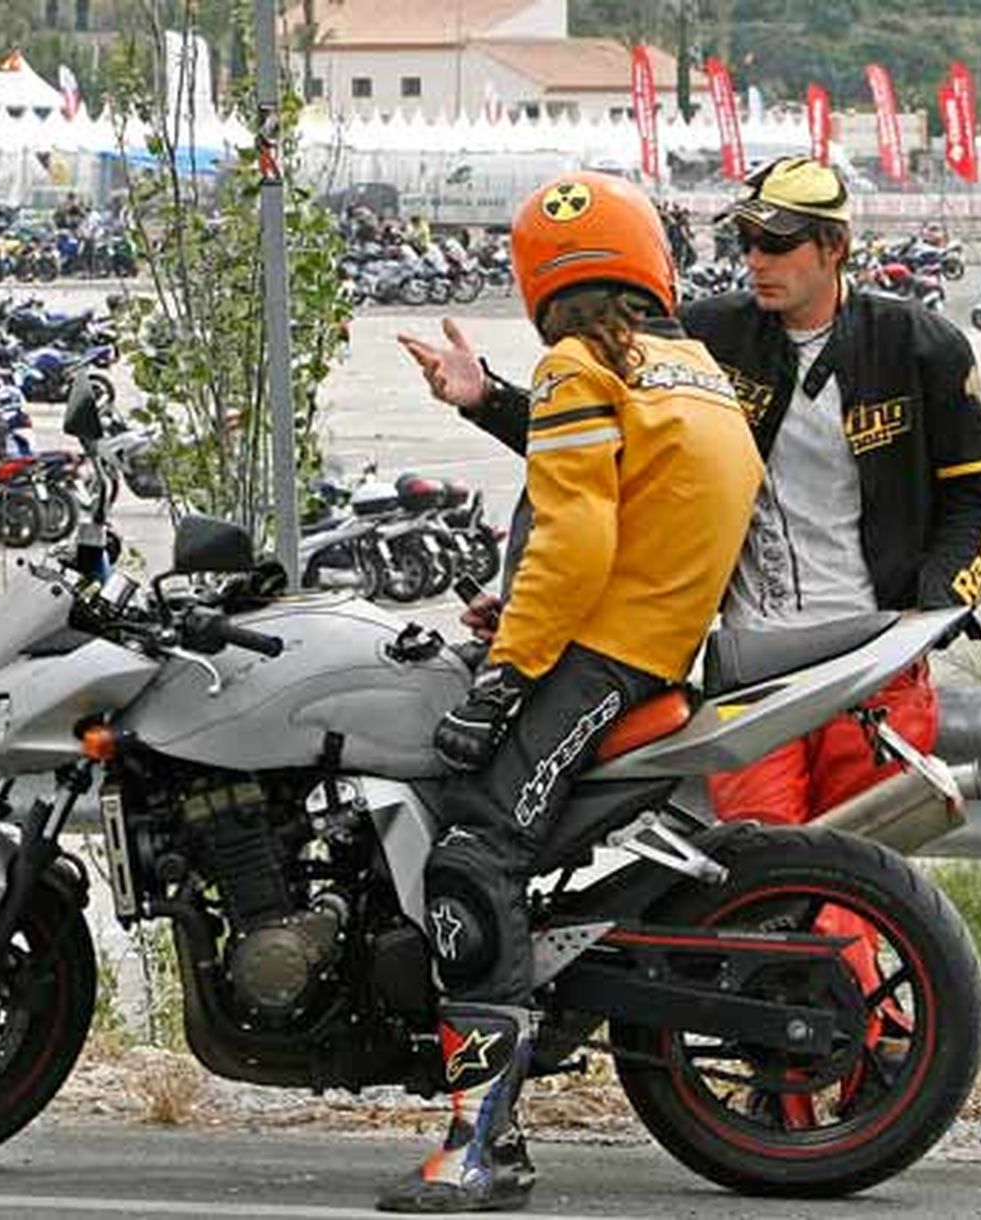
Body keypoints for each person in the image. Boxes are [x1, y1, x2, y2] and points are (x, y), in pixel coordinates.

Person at [399, 155, 981, 950]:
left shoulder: (919, 343)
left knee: (856, 893)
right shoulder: (704, 336)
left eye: (778, 243)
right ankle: (790, 1070)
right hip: (749, 660)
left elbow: (980, 499)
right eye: (747, 239)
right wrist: (488, 401)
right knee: (762, 891)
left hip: (873, 653)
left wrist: (928, 614)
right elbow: (603, 447)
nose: (756, 258)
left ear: (834, 247)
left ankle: (878, 1055)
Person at [379, 172, 762, 1214]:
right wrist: (489, 401)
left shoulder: (573, 363)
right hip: (652, 639)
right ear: (647, 261)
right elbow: (629, 503)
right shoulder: (685, 366)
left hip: (606, 654)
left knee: (472, 851)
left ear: (537, 278)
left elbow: (579, 537)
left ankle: (481, 1141)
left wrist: (504, 678)